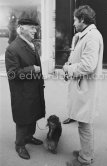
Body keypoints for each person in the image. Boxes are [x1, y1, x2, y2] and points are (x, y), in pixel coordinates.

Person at [63, 5, 103, 166]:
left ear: (82, 20)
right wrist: (71, 63)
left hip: (85, 87)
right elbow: (81, 59)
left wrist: (68, 68)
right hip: (83, 86)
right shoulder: (86, 34)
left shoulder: (92, 36)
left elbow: (88, 66)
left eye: (75, 20)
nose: (73, 23)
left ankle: (85, 159)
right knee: (85, 123)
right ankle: (87, 153)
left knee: (84, 124)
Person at [5, 18, 45, 160]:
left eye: (36, 28)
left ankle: (29, 137)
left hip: (33, 89)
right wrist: (32, 69)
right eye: (32, 28)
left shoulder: (30, 44)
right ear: (21, 28)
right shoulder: (12, 48)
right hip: (22, 93)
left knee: (32, 115)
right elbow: (12, 74)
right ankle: (20, 145)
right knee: (23, 118)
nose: (35, 30)